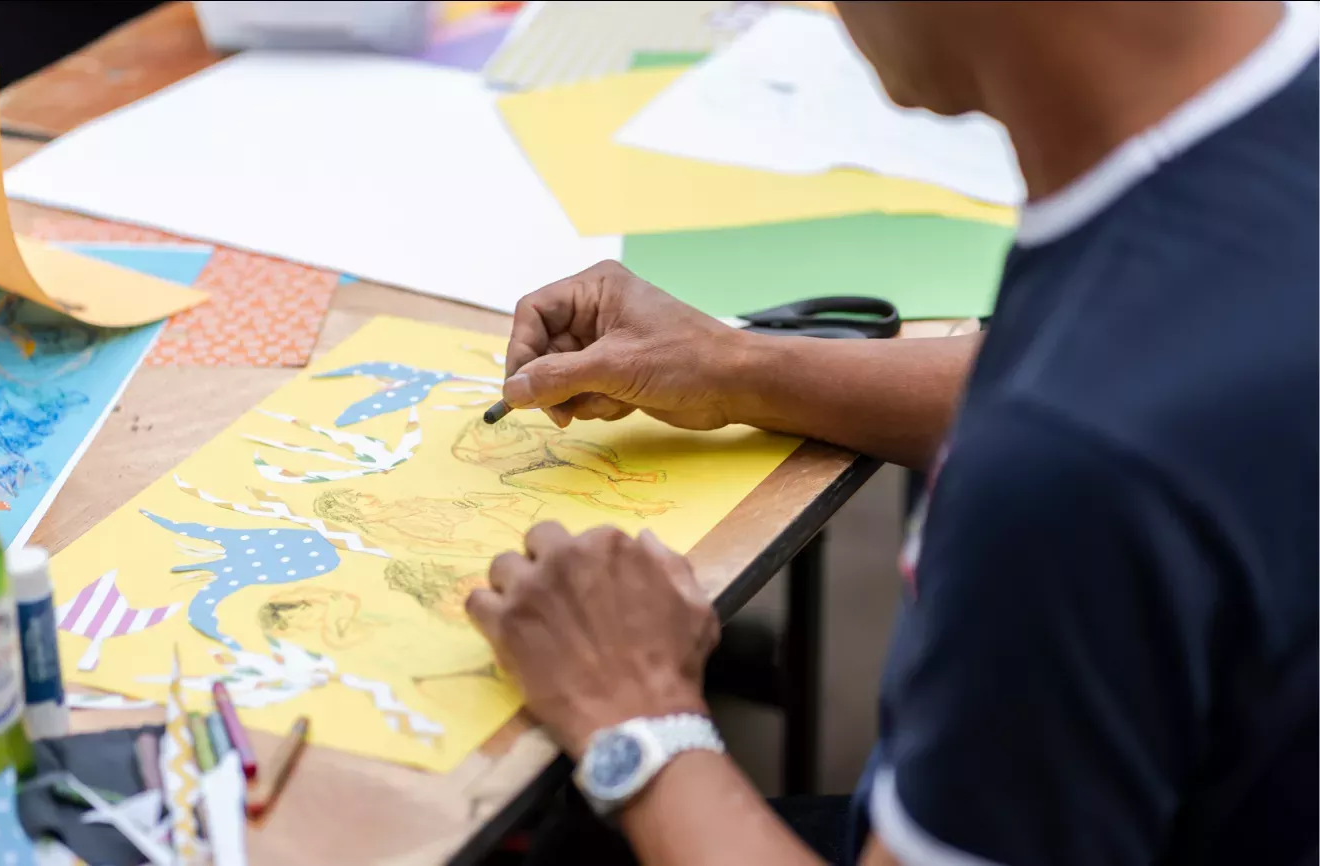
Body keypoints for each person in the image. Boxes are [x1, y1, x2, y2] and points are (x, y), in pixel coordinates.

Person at [464, 2, 1318, 864]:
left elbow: (1095, 428)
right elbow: (1144, 362)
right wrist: (730, 365)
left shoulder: (1067, 479)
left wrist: (636, 715)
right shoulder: (1259, 126)